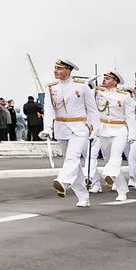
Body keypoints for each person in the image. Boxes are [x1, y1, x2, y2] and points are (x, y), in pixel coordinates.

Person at [44, 60, 96, 206]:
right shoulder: (51, 88)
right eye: (55, 68)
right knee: (73, 164)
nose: (56, 71)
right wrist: (48, 127)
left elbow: (92, 110)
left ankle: (62, 181)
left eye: (59, 68)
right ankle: (83, 197)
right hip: (61, 127)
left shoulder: (82, 86)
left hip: (80, 127)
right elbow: (48, 109)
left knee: (72, 157)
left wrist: (94, 129)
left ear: (69, 70)